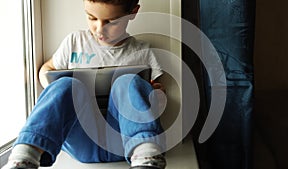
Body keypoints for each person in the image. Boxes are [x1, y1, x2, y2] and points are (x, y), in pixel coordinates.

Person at [1, 0, 167, 169]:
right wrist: (55, 88)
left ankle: (148, 156)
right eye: (91, 17)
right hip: (82, 139)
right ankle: (24, 157)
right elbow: (47, 69)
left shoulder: (143, 51)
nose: (99, 28)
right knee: (66, 83)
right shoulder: (75, 41)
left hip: (125, 140)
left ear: (133, 12)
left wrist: (155, 95)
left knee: (127, 81)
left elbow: (158, 97)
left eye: (111, 22)